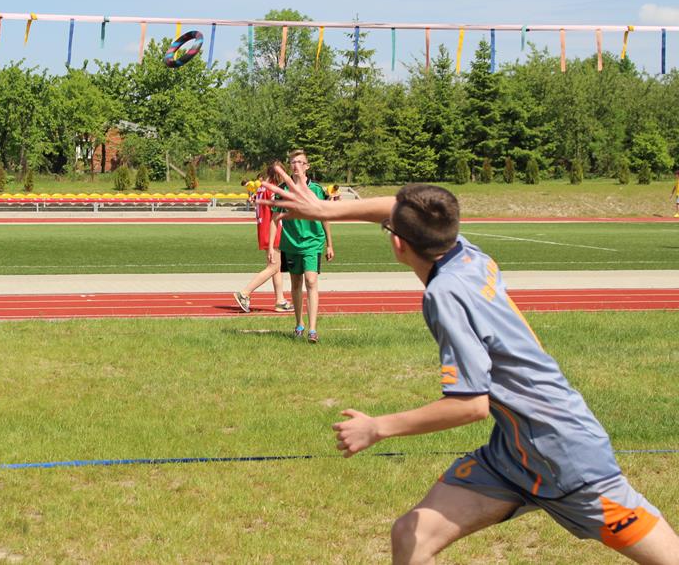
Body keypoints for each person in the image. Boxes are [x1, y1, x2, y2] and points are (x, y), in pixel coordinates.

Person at [265, 175, 679, 564]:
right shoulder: (466, 253)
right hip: (512, 457)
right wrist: (324, 210)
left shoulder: (444, 294)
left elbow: (470, 405)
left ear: (398, 244)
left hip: (566, 457)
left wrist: (378, 427)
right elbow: (400, 210)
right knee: (410, 534)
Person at [271, 151, 333, 343]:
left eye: (300, 162)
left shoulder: (316, 189)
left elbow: (325, 216)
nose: (296, 165)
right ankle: (299, 324)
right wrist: (271, 247)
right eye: (293, 162)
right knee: (296, 284)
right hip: (291, 243)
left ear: (307, 166)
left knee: (311, 281)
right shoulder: (282, 190)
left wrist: (330, 244)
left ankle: (313, 329)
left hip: (313, 242)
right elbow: (274, 219)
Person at [234, 164, 294, 314]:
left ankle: (280, 301)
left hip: (263, 229)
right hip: (272, 229)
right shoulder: (272, 188)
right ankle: (245, 293)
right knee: (273, 267)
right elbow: (277, 208)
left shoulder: (261, 187)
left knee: (276, 267)